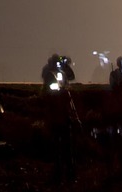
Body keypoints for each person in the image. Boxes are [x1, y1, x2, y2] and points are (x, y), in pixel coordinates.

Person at [41, 54, 78, 182]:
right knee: (59, 148)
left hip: (63, 115)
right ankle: (61, 172)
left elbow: (71, 76)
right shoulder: (49, 73)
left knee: (66, 147)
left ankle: (68, 173)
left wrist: (65, 65)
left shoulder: (61, 72)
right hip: (57, 115)